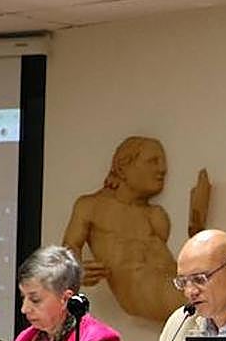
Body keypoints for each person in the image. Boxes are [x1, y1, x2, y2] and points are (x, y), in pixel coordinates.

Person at [62, 136, 212, 323]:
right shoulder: (91, 206)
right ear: (123, 167)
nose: (162, 169)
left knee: (225, 294)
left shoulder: (155, 215)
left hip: (175, 287)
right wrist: (78, 270)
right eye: (153, 161)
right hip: (148, 293)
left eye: (163, 163)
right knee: (219, 302)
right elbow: (69, 247)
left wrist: (197, 222)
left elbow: (176, 263)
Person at [11, 246, 122, 341]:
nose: (24, 309)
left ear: (65, 299)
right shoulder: (25, 339)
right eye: (23, 298)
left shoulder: (97, 339)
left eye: (35, 299)